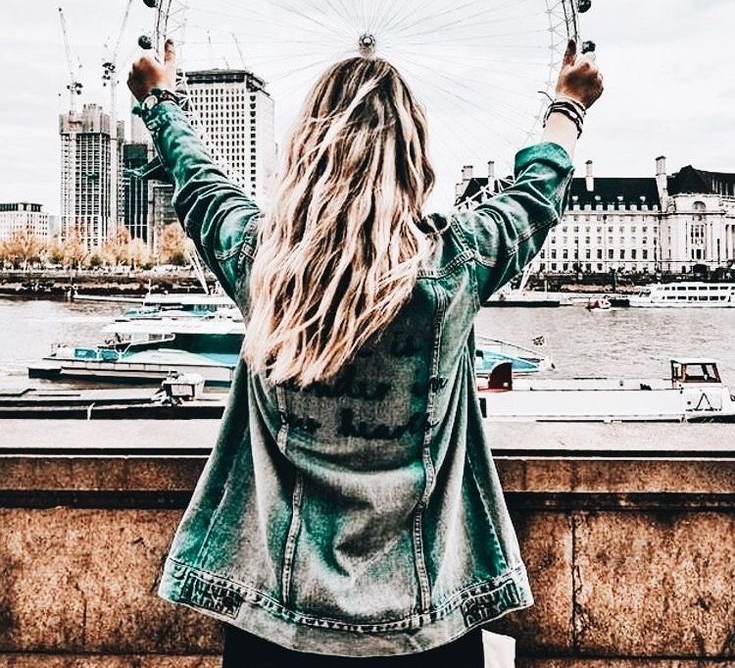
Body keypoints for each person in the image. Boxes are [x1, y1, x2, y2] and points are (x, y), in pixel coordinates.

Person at [127, 38, 603, 666]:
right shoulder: (452, 269)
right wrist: (567, 106)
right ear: (413, 158)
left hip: (278, 624)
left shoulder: (260, 261)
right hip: (421, 624)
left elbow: (200, 184)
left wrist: (161, 101)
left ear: (307, 150)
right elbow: (531, 199)